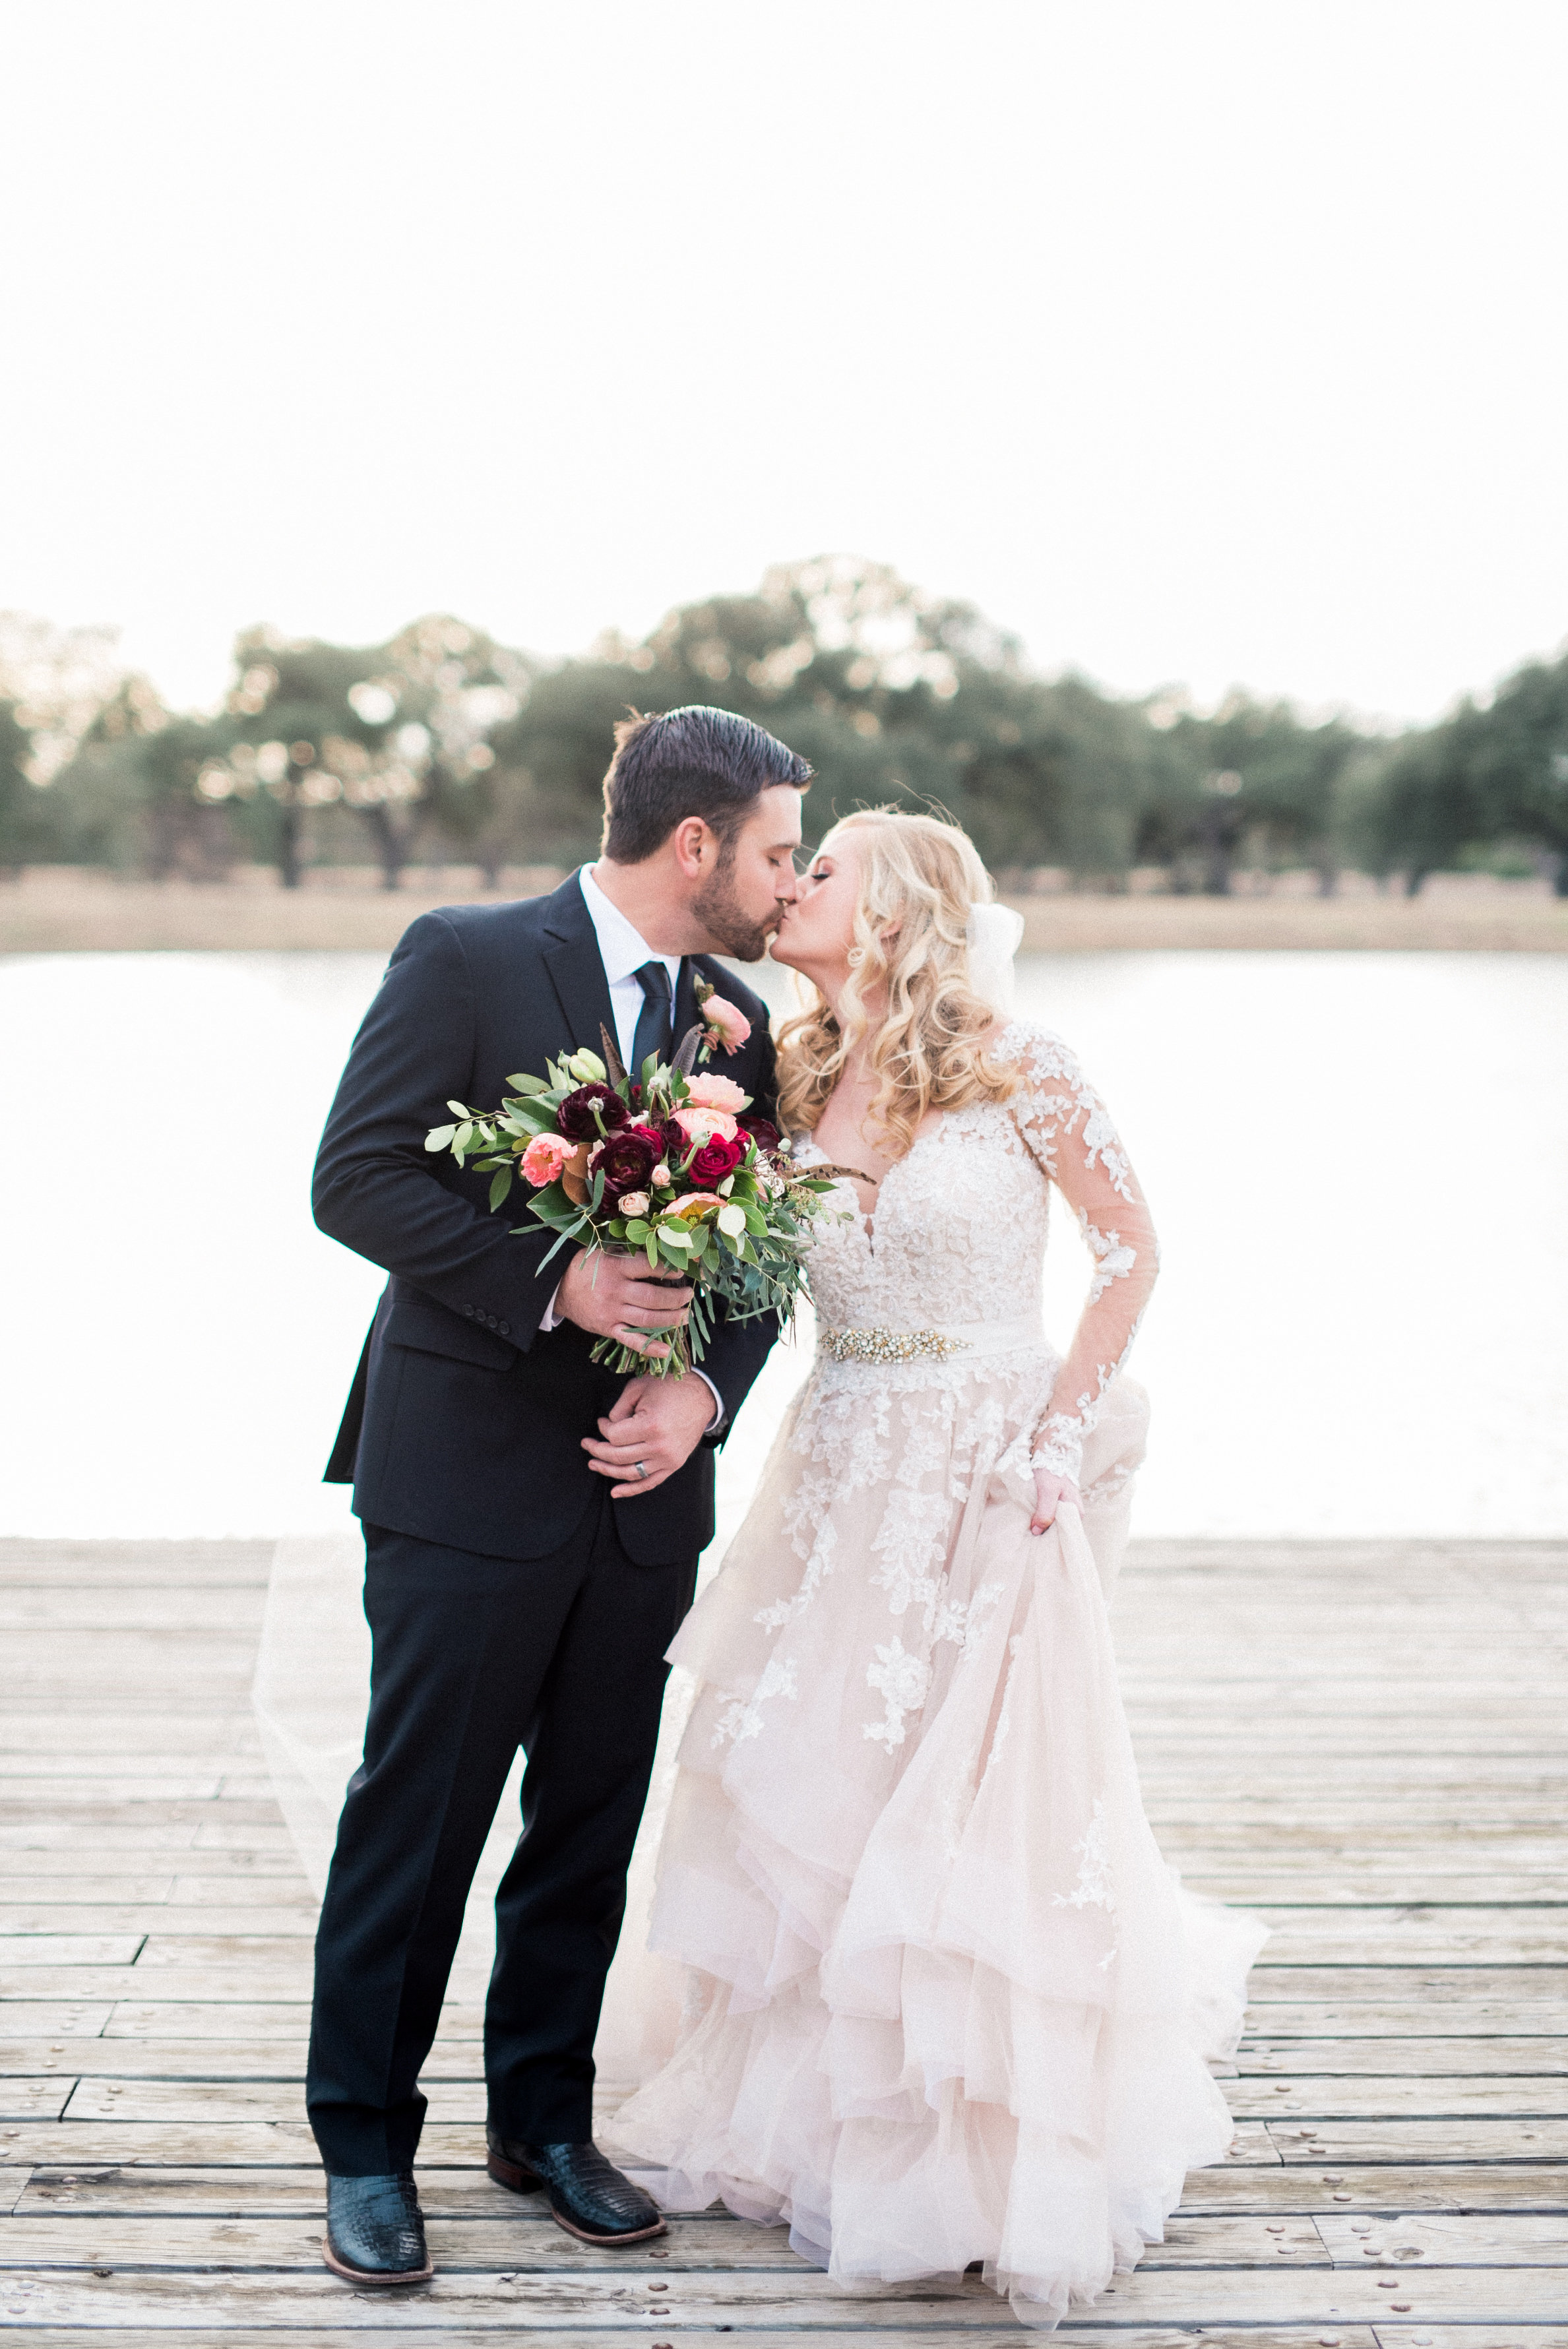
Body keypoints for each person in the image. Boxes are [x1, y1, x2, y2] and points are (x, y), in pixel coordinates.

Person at [600, 809, 1267, 2324]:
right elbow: (739, 1263)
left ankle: (971, 2145)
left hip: (985, 1455)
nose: (790, 887)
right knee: (820, 1771)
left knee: (972, 1795)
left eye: (816, 868)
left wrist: (1055, 1432)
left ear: (894, 902)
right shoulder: (785, 1071)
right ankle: (811, 2121)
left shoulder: (1023, 1063)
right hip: (840, 1463)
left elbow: (1128, 1252)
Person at [304, 705, 809, 2286]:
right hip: (463, 1480)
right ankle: (367, 2146)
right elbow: (357, 1174)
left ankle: (541, 2121)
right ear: (693, 845)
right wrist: (561, 1282)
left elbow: (768, 1252)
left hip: (644, 1497)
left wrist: (702, 1390)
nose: (789, 887)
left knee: (586, 1825)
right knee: (423, 1818)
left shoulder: (740, 1017)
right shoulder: (463, 954)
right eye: (778, 852)